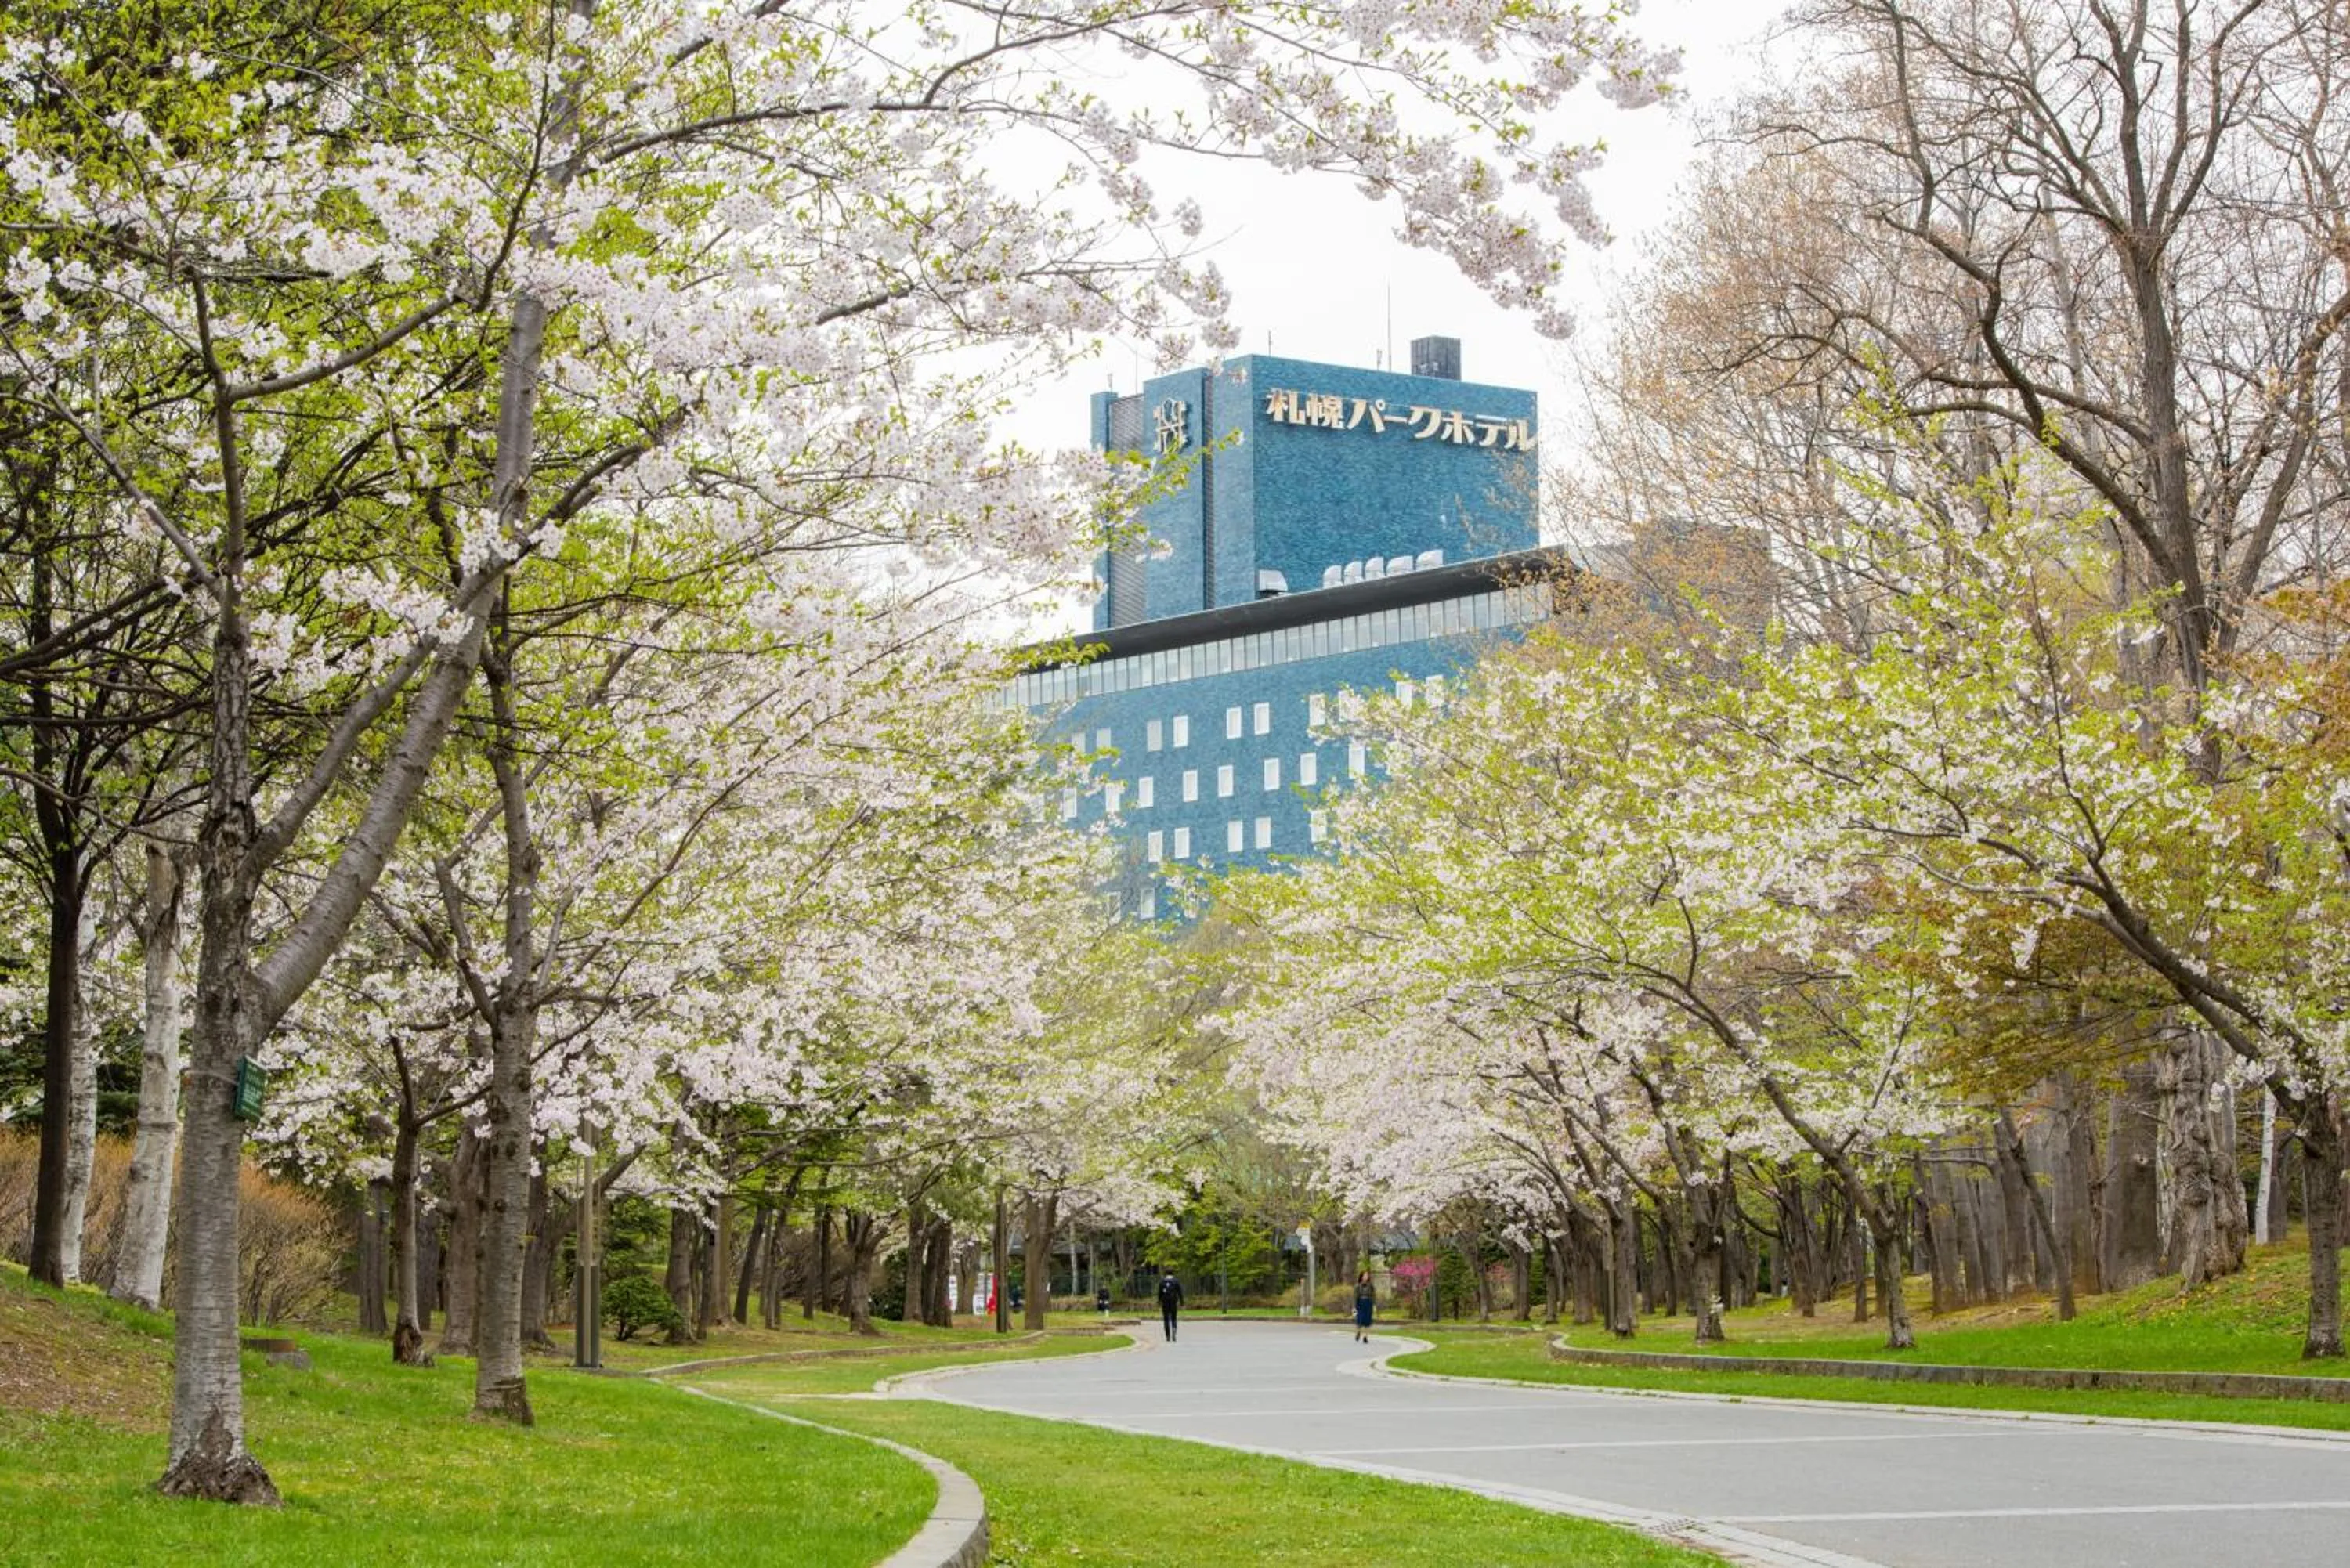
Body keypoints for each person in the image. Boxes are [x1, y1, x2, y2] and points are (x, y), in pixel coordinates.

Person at [1156, 1270, 1184, 1342]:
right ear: (1173, 1274)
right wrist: (1181, 1302)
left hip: (1165, 1302)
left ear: (1166, 1274)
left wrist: (1159, 1301)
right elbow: (1180, 1292)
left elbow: (1159, 1292)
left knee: (1166, 1319)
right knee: (1174, 1317)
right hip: (1173, 1302)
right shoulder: (1176, 1281)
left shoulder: (1162, 1281)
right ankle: (1174, 1329)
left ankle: (1168, 1336)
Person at [1353, 1270, 1376, 1344]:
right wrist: (1354, 1307)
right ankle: (1358, 1332)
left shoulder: (1371, 1286)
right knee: (1359, 1319)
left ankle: (1365, 1337)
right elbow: (1355, 1297)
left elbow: (1373, 1296)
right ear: (1361, 1276)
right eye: (1364, 1275)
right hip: (1360, 1303)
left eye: (1367, 1275)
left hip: (1368, 1303)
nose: (1366, 1276)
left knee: (1367, 1320)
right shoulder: (1357, 1286)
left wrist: (1374, 1305)